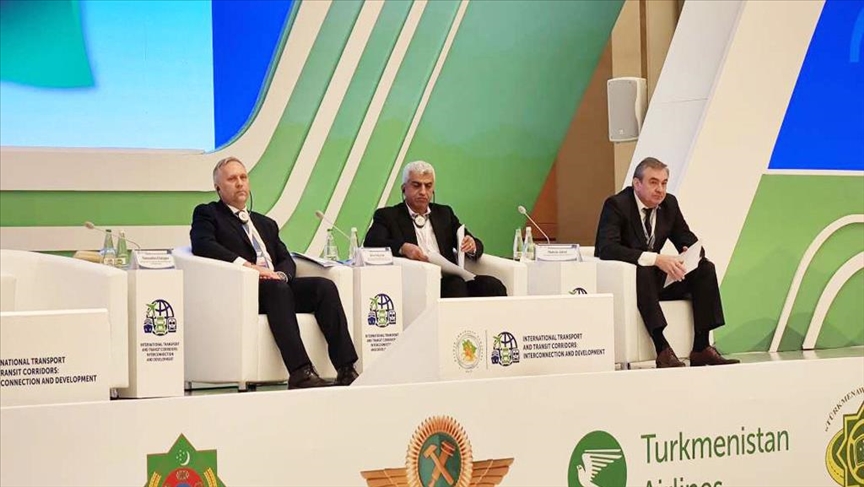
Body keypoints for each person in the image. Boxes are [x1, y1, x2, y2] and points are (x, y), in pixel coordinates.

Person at [190, 156, 359, 389]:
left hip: (277, 286)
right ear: (218, 187)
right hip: (244, 290)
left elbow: (285, 259)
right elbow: (203, 244)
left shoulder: (265, 223)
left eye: (243, 177)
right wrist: (250, 267)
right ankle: (300, 372)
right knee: (278, 289)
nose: (239, 183)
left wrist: (281, 275)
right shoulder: (208, 213)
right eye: (232, 179)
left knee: (323, 287)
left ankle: (346, 369)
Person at [594, 157, 739, 368]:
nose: (660, 189)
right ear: (636, 183)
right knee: (643, 269)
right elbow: (606, 248)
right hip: (629, 281)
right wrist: (655, 259)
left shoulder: (669, 204)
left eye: (664, 183)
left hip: (657, 280)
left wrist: (692, 252)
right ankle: (662, 348)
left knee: (705, 268)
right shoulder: (617, 205)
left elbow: (686, 237)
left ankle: (701, 347)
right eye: (653, 182)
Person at [364, 160, 507, 298]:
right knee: (456, 284)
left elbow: (471, 241)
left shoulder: (444, 213)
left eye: (428, 186)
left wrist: (472, 245)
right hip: (417, 282)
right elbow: (371, 242)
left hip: (449, 277)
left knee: (493, 285)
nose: (423, 191)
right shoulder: (388, 216)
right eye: (416, 185)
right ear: (404, 188)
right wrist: (403, 248)